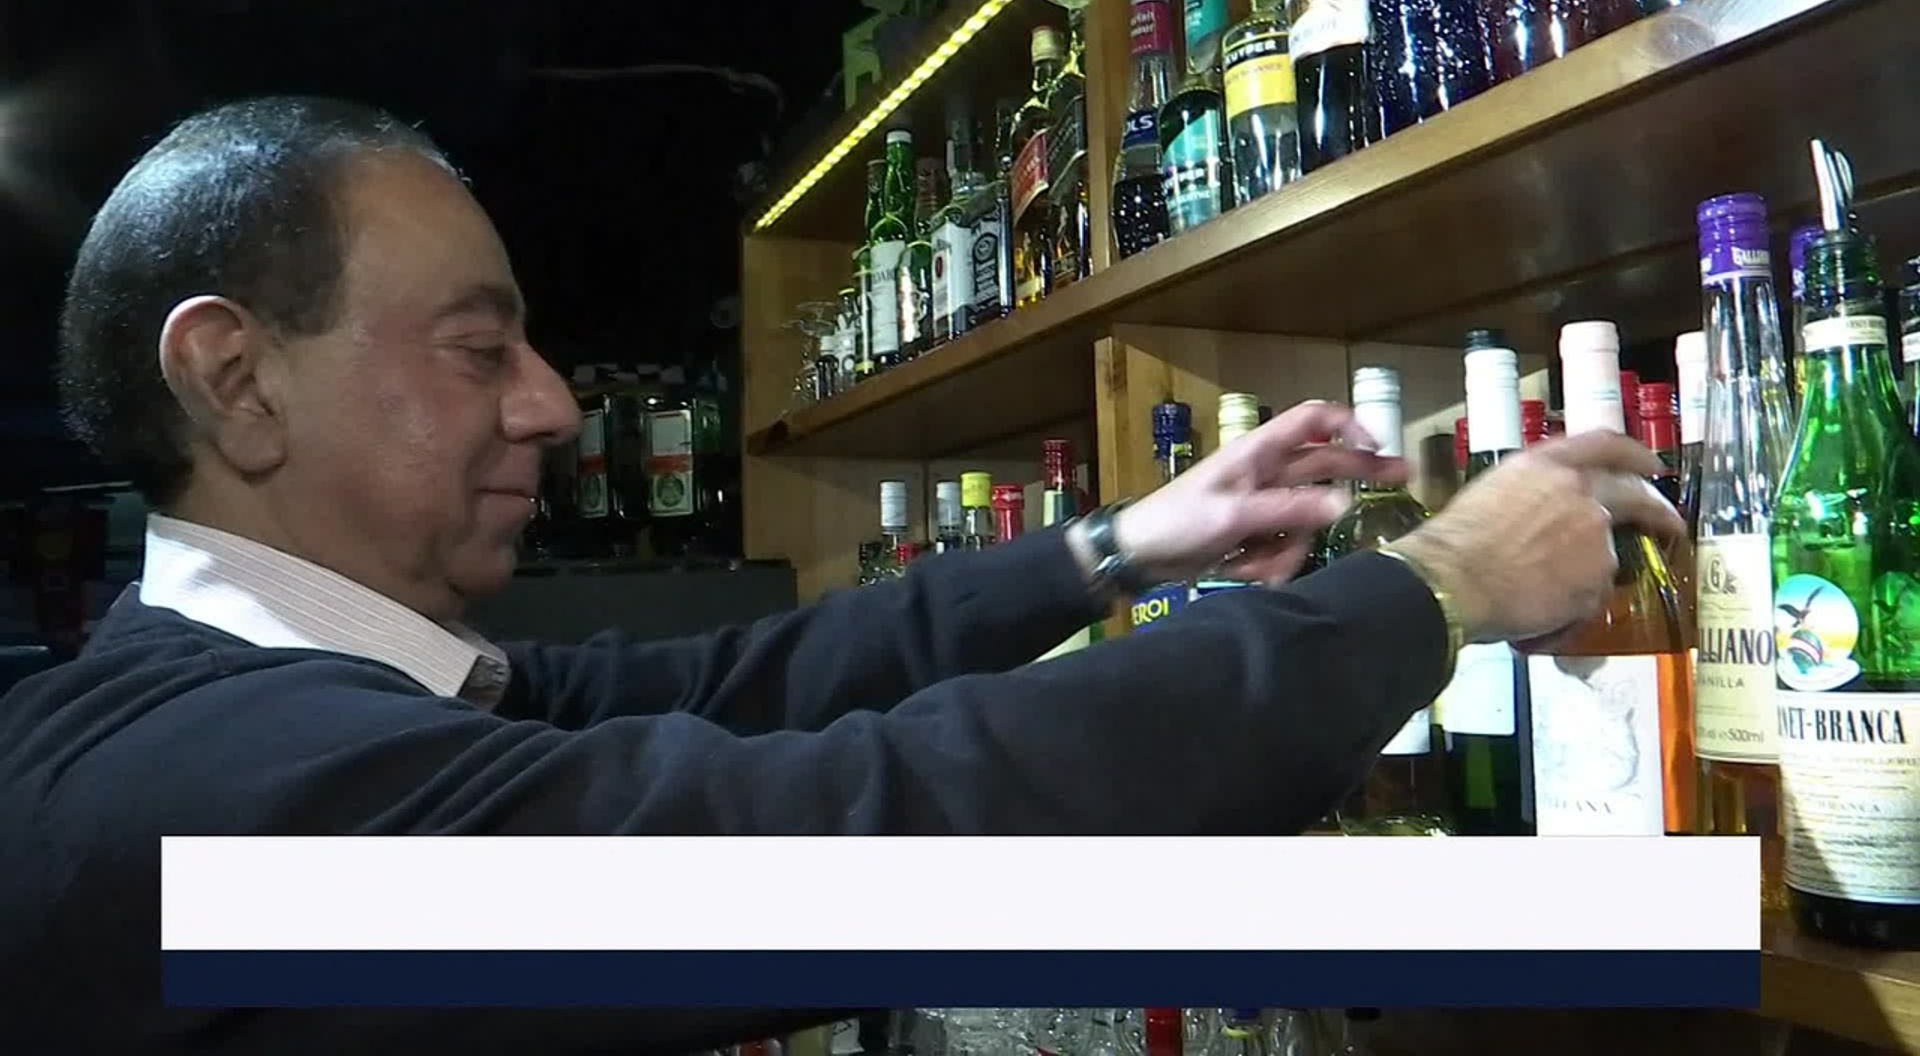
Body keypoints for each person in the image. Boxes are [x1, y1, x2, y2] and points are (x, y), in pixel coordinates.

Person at [0, 96, 1682, 1054]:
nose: (552, 405)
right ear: (236, 380)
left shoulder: (240, 707)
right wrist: (1433, 584)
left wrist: (1115, 547)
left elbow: (727, 688)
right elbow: (867, 835)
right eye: (477, 347)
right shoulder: (229, 819)